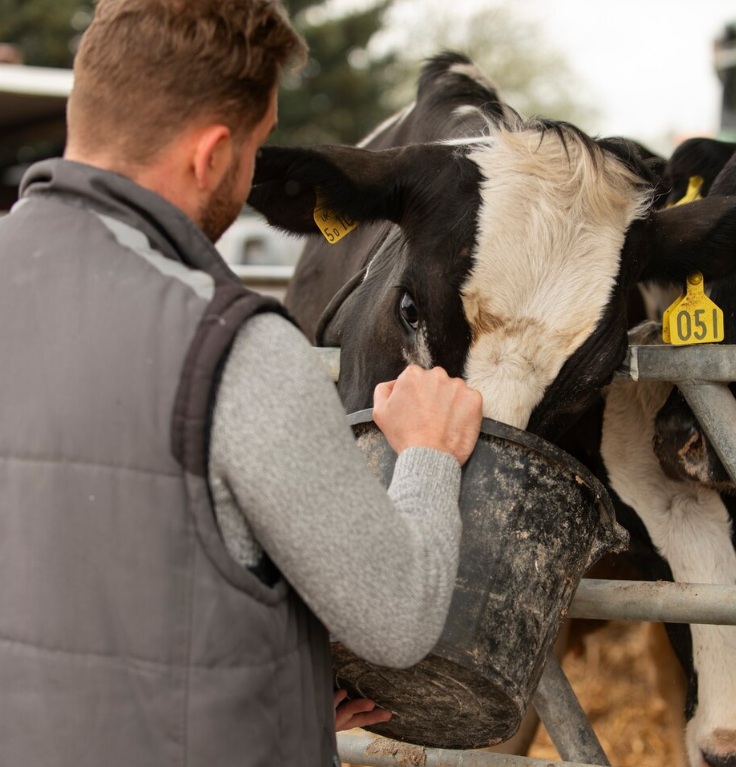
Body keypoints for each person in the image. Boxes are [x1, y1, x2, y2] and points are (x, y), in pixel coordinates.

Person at [0, 1, 484, 765]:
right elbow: (397, 618)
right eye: (258, 146)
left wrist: (279, 701)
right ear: (213, 152)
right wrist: (428, 453)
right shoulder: (232, 350)